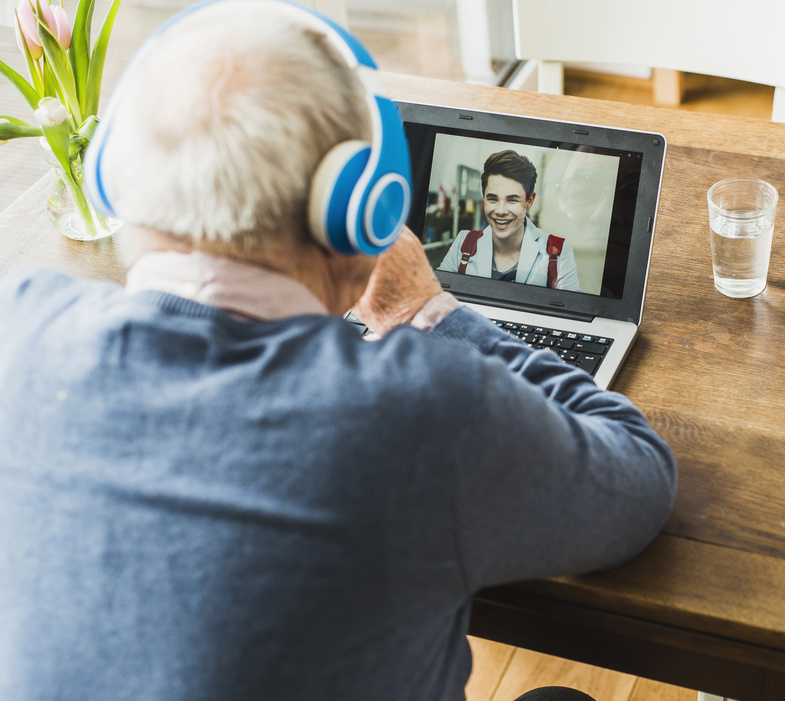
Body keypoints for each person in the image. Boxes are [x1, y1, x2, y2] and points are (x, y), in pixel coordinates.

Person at [0, 3, 676, 701]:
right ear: (367, 211)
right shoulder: (420, 411)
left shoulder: (15, 328)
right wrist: (425, 310)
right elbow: (637, 483)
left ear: (117, 171)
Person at [438, 149, 581, 291]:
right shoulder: (463, 243)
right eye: (492, 199)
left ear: (529, 201)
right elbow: (436, 297)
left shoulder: (558, 251)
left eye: (512, 200)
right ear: (483, 196)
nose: (500, 211)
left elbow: (569, 310)